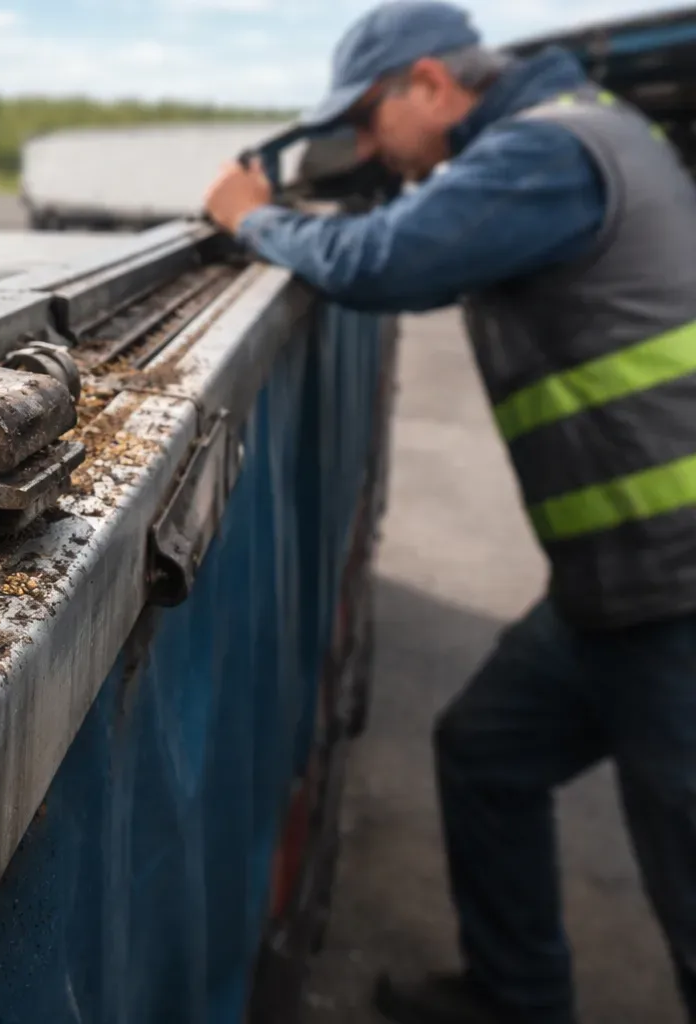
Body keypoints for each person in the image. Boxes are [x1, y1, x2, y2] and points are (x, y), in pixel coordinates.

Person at [203, 3, 696, 1023]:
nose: (367, 146)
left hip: (678, 590)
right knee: (485, 753)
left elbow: (385, 263)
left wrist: (251, 216)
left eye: (369, 119)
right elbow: (411, 249)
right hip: (615, 588)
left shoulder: (545, 151)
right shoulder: (575, 133)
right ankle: (517, 998)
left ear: (429, 83)